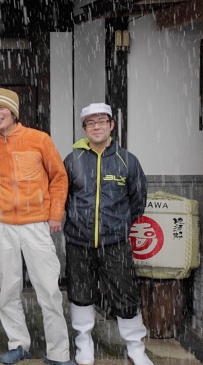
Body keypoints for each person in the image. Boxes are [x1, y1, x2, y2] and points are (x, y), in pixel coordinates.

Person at [0, 88, 73, 365]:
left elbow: (59, 177)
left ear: (13, 112)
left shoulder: (38, 139)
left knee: (49, 290)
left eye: (1, 109)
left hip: (36, 224)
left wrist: (55, 213)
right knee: (8, 288)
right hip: (4, 225)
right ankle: (19, 344)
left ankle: (58, 353)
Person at [63, 103, 151, 365]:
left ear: (112, 125)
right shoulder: (73, 160)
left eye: (102, 121)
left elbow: (138, 200)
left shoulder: (127, 160)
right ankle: (83, 344)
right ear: (84, 128)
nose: (97, 127)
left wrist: (120, 225)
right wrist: (78, 223)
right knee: (80, 292)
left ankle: (136, 348)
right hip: (79, 241)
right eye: (91, 123)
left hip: (116, 242)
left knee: (125, 294)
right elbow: (62, 198)